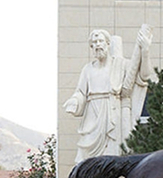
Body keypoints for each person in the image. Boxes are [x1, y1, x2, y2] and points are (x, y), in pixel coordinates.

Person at [64, 26, 153, 163]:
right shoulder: (87, 69)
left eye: (100, 41)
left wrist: (145, 51)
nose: (97, 45)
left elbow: (144, 76)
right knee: (84, 156)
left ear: (108, 44)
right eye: (94, 43)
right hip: (92, 116)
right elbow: (81, 92)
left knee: (113, 156)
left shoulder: (121, 64)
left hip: (113, 113)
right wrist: (75, 101)